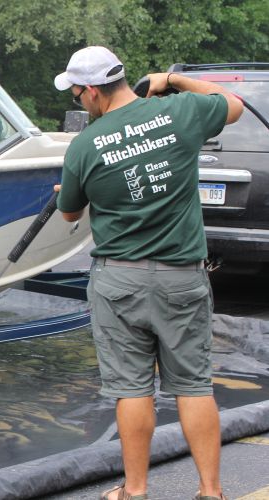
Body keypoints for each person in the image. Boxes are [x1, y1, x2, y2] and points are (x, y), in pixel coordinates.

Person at [53, 46, 243, 500]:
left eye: (78, 93)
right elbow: (232, 105)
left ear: (94, 92)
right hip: (183, 276)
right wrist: (175, 81)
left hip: (119, 282)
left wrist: (74, 188)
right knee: (194, 385)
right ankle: (211, 492)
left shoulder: (85, 145)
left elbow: (68, 213)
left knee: (132, 389)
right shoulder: (180, 112)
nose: (80, 102)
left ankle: (135, 491)